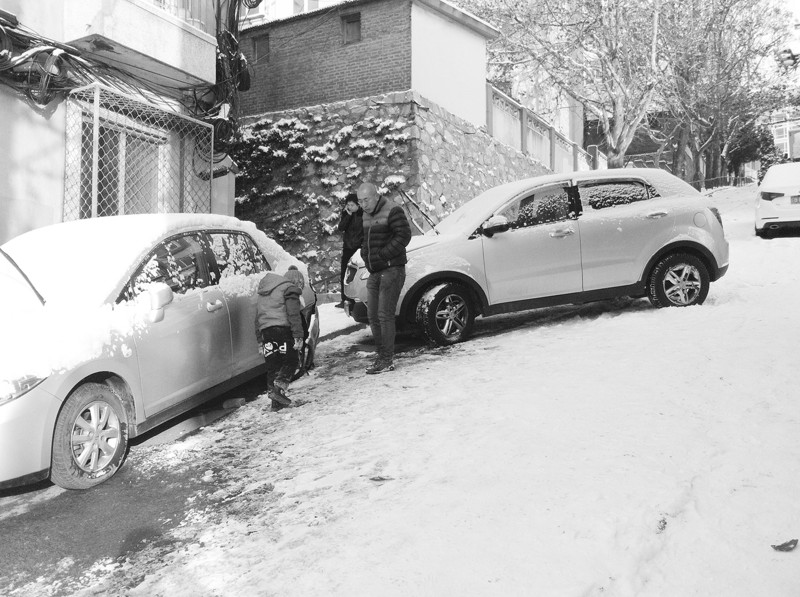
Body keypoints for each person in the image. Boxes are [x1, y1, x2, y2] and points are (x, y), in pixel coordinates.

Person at [357, 181, 411, 374]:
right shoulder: (365, 214)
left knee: (384, 314)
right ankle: (381, 355)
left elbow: (404, 235)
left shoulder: (392, 210)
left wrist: (383, 255)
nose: (362, 205)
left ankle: (386, 359)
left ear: (375, 195)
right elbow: (365, 240)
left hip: (392, 269)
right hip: (374, 271)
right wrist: (366, 255)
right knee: (372, 315)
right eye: (359, 201)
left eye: (365, 200)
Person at [255, 268, 305, 409]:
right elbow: (293, 314)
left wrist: (260, 340)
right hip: (282, 330)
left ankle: (276, 404)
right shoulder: (290, 290)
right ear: (297, 283)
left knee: (273, 367)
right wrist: (298, 336)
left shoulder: (264, 293)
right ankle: (278, 389)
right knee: (292, 360)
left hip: (266, 332)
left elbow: (257, 318)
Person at [336, 192, 363, 308]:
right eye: (348, 205)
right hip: (348, 247)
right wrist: (348, 215)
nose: (350, 207)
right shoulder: (346, 214)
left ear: (358, 205)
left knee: (357, 273)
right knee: (344, 274)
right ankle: (344, 300)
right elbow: (341, 227)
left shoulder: (364, 214)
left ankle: (356, 300)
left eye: (352, 205)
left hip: (359, 248)